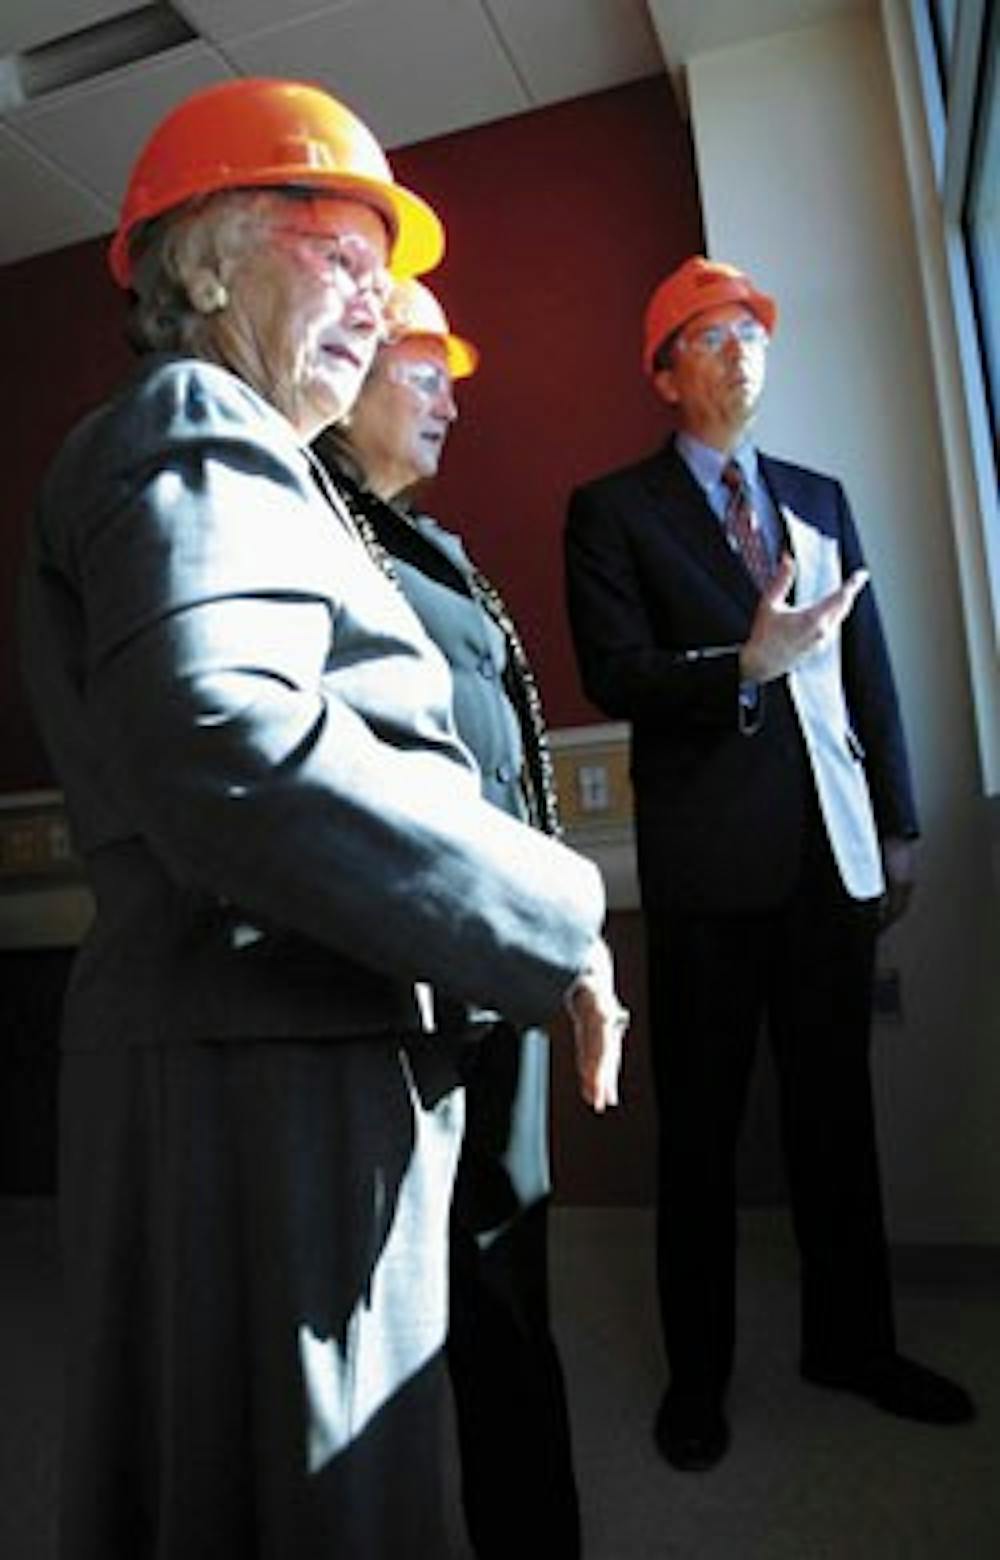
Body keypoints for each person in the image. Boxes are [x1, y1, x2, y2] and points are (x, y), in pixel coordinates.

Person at [18, 78, 627, 1560]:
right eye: (339, 252)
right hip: (262, 1082)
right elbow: (232, 737)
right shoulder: (197, 420)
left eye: (386, 264)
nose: (379, 295)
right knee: (323, 1502)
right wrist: (560, 917)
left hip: (265, 1064)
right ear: (210, 265)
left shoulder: (252, 455)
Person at [563, 255, 974, 1473]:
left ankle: (852, 1344)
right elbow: (612, 674)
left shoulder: (818, 495)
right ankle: (696, 1381)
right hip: (707, 880)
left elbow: (867, 671)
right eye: (710, 335)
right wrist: (736, 668)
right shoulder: (612, 509)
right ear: (662, 372)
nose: (741, 350)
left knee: (836, 1121)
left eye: (752, 331)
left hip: (830, 866)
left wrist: (895, 820)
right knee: (696, 1135)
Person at [316, 278, 582, 1558]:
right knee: (409, 1296)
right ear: (351, 369)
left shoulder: (432, 544)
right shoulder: (307, 520)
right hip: (403, 973)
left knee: (506, 1274)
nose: (451, 400)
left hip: (500, 956)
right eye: (425, 370)